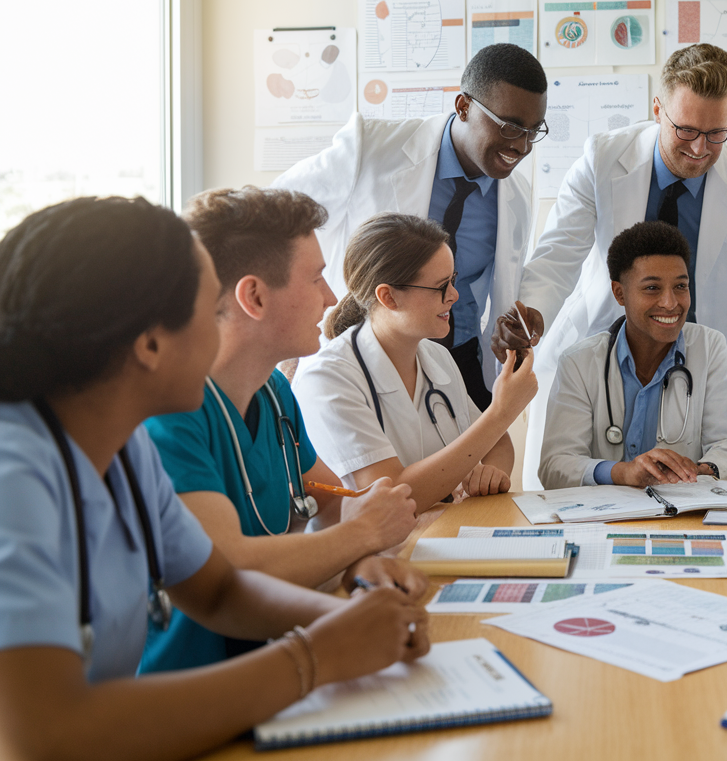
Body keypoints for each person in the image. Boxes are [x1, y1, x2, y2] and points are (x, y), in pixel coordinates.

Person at [0, 197, 427, 760]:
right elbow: (46, 735)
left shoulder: (125, 450)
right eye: (209, 312)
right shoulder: (16, 479)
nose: (224, 328)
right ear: (149, 344)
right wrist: (314, 657)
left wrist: (353, 620)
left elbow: (218, 588)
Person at [140, 187, 425, 674]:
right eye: (316, 278)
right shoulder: (171, 414)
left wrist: (361, 566)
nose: (333, 298)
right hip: (196, 685)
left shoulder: (274, 391)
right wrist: (361, 536)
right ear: (253, 296)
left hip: (277, 660)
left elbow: (334, 501)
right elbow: (224, 566)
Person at [493, 43, 727, 488]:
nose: (700, 149)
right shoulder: (603, 157)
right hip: (600, 355)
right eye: (686, 130)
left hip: (694, 370)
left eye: (716, 133)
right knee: (571, 497)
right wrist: (530, 315)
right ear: (658, 110)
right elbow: (559, 252)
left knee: (691, 500)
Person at [273, 43, 548, 410]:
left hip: (460, 365)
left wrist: (512, 326)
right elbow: (276, 214)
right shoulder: (370, 148)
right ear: (463, 106)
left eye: (533, 131)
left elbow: (497, 289)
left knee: (478, 464)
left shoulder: (516, 196)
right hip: (369, 357)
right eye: (511, 127)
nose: (523, 146)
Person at [293, 212, 537, 505]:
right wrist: (503, 411)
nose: (454, 296)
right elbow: (394, 494)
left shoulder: (437, 358)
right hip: (378, 547)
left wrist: (491, 473)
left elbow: (495, 443)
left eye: (453, 280)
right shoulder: (327, 380)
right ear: (389, 297)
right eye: (440, 286)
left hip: (444, 534)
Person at [540, 222, 727, 489]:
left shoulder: (710, 348)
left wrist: (700, 470)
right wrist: (622, 473)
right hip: (604, 520)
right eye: (652, 288)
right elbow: (555, 465)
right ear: (620, 293)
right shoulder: (579, 363)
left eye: (681, 286)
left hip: (681, 514)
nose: (670, 302)